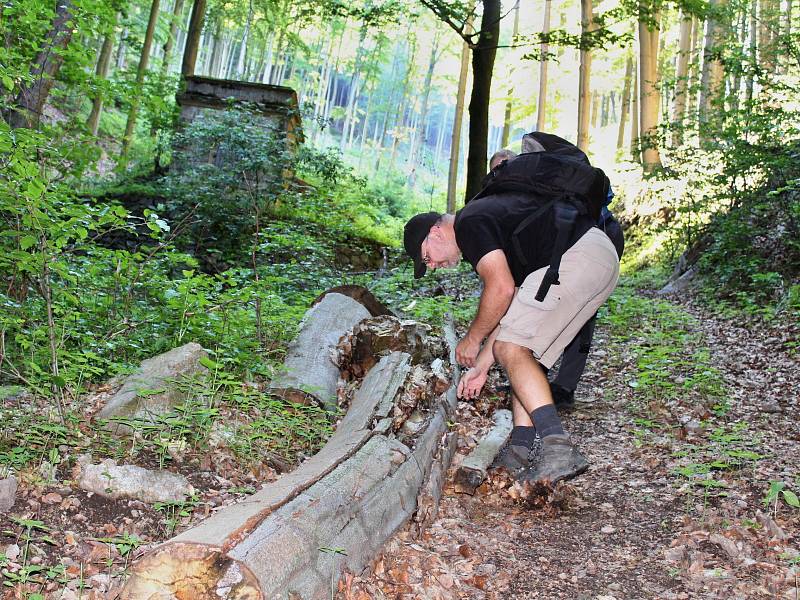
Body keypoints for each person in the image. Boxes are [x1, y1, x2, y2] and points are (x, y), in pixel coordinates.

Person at [404, 177, 620, 484]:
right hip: (596, 256)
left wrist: (472, 339)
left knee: (511, 349)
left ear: (436, 232)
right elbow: (514, 310)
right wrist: (481, 366)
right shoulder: (493, 221)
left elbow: (501, 289)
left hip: (575, 256)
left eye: (428, 258)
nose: (434, 266)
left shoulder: (469, 223)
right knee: (523, 354)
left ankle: (557, 446)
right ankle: (519, 450)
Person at [486, 150, 626, 412]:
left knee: (577, 317)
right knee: (542, 311)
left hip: (592, 244)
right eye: (495, 171)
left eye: (502, 169)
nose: (499, 175)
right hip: (579, 246)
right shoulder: (522, 190)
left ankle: (564, 387)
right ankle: (530, 379)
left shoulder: (536, 187)